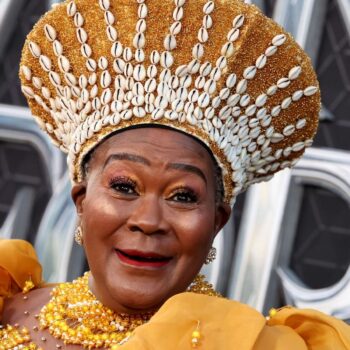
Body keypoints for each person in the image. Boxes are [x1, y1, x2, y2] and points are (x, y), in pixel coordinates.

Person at [1, 0, 349, 348]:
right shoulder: (8, 308)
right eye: (124, 187)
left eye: (183, 196)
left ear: (217, 221)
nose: (149, 221)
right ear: (81, 200)